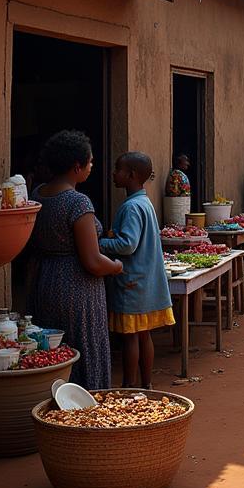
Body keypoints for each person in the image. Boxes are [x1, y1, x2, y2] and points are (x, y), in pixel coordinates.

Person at [27, 130, 123, 389]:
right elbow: (92, 261)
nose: (92, 167)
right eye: (90, 162)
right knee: (82, 350)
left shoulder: (38, 194)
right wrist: (116, 266)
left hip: (44, 282)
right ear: (77, 167)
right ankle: (82, 412)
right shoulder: (77, 203)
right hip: (77, 290)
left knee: (52, 353)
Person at [100, 152, 175, 389]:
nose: (113, 173)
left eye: (117, 169)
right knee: (144, 334)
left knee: (131, 336)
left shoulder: (132, 207)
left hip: (131, 281)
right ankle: (147, 385)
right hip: (145, 280)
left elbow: (128, 244)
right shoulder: (144, 202)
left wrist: (100, 243)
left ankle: (128, 386)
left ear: (131, 175)